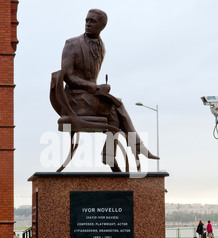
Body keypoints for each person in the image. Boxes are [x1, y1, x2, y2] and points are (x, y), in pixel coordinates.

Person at [60, 9, 159, 167]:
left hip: (91, 98)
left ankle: (111, 155)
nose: (88, 24)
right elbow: (67, 76)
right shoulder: (72, 44)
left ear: (102, 26)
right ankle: (135, 146)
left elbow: (91, 77)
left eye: (93, 21)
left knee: (114, 114)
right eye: (87, 20)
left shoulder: (102, 48)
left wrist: (102, 88)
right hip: (75, 99)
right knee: (116, 106)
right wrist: (94, 86)